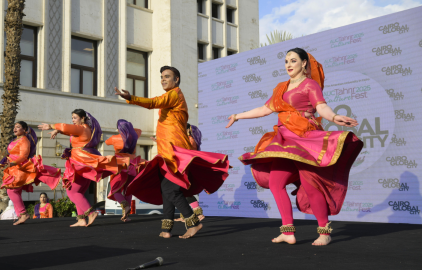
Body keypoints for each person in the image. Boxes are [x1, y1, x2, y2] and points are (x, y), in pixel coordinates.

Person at [226, 48, 363, 246]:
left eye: (293, 60)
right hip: (284, 141)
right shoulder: (281, 86)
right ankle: (288, 231)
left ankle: (324, 231)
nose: (288, 65)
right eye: (286, 61)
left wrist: (334, 117)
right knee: (275, 182)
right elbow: (265, 109)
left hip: (303, 139)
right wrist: (238, 115)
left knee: (311, 185)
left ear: (304, 63)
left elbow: (321, 107)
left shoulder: (310, 85)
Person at [115, 66, 230, 239]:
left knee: (171, 190)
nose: (163, 79)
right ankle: (166, 229)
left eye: (167, 76)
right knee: (165, 189)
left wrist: (131, 98)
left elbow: (153, 102)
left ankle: (194, 222)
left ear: (176, 80)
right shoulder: (172, 98)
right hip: (167, 152)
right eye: (161, 76)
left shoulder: (174, 94)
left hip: (175, 152)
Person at [38, 109, 118, 227]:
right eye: (72, 118)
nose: (73, 120)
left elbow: (66, 127)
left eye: (75, 118)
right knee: (78, 191)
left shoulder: (82, 128)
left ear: (83, 118)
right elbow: (69, 131)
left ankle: (91, 213)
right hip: (82, 163)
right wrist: (58, 131)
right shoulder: (84, 129)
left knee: (71, 191)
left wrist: (50, 125)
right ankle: (81, 219)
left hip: (80, 163)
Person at [0, 121, 61, 225]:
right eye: (14, 127)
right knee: (15, 191)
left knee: (11, 190)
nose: (15, 129)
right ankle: (21, 215)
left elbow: (23, 156)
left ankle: (23, 214)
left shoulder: (24, 140)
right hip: (13, 169)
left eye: (18, 127)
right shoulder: (15, 140)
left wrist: (13, 162)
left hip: (20, 168)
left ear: (24, 130)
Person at [105, 119, 146, 222]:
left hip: (121, 166)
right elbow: (138, 131)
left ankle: (125, 206)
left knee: (114, 190)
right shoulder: (134, 138)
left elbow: (106, 142)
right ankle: (126, 216)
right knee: (128, 190)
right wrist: (129, 130)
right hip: (133, 166)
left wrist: (120, 131)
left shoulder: (115, 138)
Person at [175, 124, 205, 222]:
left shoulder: (190, 139)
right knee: (181, 191)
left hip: (187, 166)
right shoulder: (187, 138)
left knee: (183, 190)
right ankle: (185, 215)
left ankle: (198, 214)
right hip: (184, 166)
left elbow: (187, 151)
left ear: (188, 130)